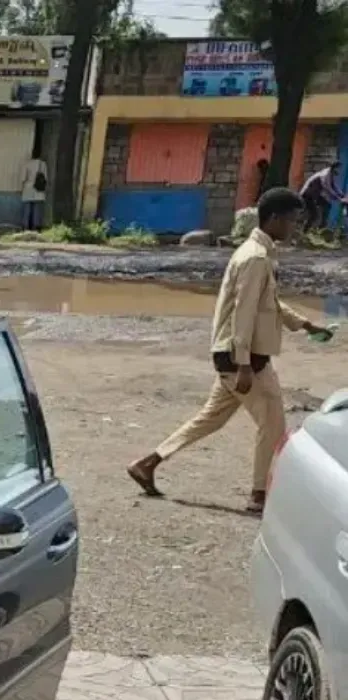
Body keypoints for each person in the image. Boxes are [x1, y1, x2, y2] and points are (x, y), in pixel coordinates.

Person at [127, 187, 327, 514]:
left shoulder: (258, 253)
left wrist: (305, 324)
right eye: (292, 221)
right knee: (273, 426)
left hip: (234, 355)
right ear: (274, 219)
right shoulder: (255, 258)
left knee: (210, 419)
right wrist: (245, 364)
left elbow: (269, 303)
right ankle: (259, 495)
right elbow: (244, 314)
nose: (295, 228)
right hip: (244, 359)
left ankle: (147, 463)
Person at [300, 161, 343, 229]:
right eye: (339, 169)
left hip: (315, 195)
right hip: (308, 194)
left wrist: (341, 194)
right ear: (334, 167)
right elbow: (327, 188)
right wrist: (338, 197)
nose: (339, 171)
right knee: (314, 215)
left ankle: (321, 227)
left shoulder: (330, 174)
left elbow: (334, 186)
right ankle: (305, 231)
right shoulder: (325, 174)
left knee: (327, 205)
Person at [21, 140, 48, 231]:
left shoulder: (27, 164)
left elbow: (23, 178)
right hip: (39, 189)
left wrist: (22, 187)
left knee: (27, 209)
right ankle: (36, 227)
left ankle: (25, 226)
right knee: (37, 210)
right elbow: (45, 178)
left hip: (28, 188)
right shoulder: (43, 164)